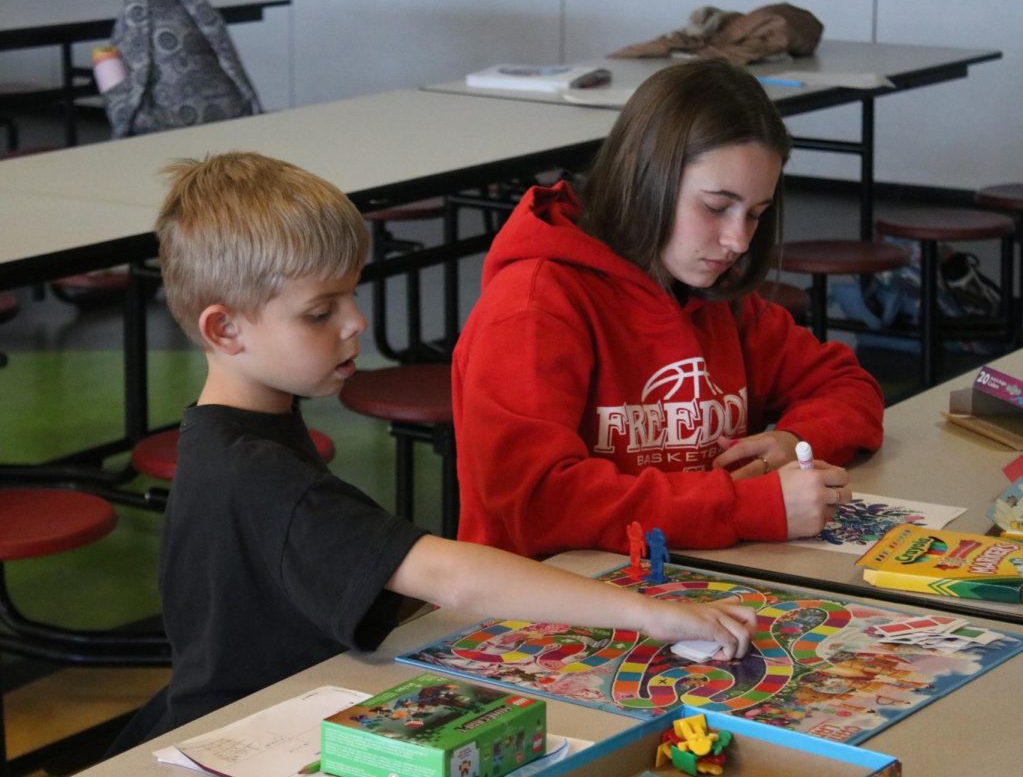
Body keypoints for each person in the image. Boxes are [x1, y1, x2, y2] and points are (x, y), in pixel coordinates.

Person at [109, 152, 756, 752]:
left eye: (352, 294)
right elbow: (449, 575)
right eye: (319, 311)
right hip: (249, 741)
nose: (355, 321)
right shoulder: (255, 472)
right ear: (224, 328)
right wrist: (651, 615)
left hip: (274, 711)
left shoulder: (233, 428)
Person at [453, 59, 884, 560]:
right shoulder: (534, 306)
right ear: (645, 178)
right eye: (716, 206)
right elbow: (537, 504)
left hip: (684, 573)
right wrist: (742, 505)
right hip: (544, 601)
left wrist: (796, 440)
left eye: (756, 215)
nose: (738, 240)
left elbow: (849, 387)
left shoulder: (714, 295)